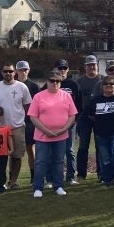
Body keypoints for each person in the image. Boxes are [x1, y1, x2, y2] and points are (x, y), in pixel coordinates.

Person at [28, 70, 78, 198]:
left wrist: (64, 129)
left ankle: (58, 186)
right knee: (40, 161)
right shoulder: (39, 96)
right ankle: (38, 187)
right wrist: (46, 131)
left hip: (61, 135)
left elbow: (72, 115)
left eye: (58, 81)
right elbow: (33, 117)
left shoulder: (66, 96)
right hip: (42, 136)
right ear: (47, 82)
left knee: (59, 161)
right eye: (52, 81)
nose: (55, 83)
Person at [0, 62, 32, 189]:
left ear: (15, 72)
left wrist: (24, 121)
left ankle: (13, 181)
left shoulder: (22, 87)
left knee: (16, 156)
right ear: (1, 72)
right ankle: (1, 182)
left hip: (17, 127)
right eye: (5, 71)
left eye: (10, 71)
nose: (8, 73)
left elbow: (28, 106)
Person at [51, 59, 83, 184]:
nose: (62, 70)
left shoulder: (73, 85)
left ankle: (70, 177)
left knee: (69, 150)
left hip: (70, 123)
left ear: (68, 69)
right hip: (53, 124)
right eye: (60, 68)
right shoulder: (50, 84)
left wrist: (75, 120)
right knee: (53, 151)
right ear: (55, 69)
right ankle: (52, 178)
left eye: (64, 68)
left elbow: (80, 105)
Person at [74, 55, 103, 183]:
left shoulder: (102, 80)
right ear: (85, 66)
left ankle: (101, 174)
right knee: (83, 145)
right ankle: (81, 174)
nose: (91, 67)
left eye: (93, 64)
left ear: (97, 65)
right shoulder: (79, 81)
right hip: (84, 117)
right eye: (89, 65)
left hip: (100, 117)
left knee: (100, 146)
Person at [15, 60, 40, 182]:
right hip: (15, 122)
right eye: (21, 70)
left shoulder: (34, 86)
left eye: (25, 70)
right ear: (16, 71)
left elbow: (38, 104)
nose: (23, 72)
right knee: (15, 153)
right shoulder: (13, 85)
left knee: (31, 150)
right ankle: (12, 179)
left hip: (29, 122)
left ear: (28, 70)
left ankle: (34, 176)